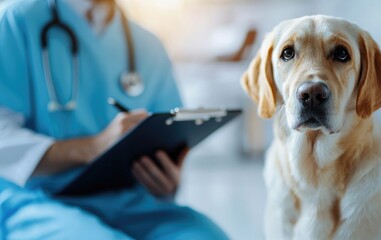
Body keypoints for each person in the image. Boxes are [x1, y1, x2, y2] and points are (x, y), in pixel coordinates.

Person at [0, 0, 228, 239]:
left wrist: (165, 181)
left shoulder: (147, 45)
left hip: (131, 203)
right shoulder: (16, 21)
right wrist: (93, 147)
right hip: (37, 202)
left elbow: (168, 133)